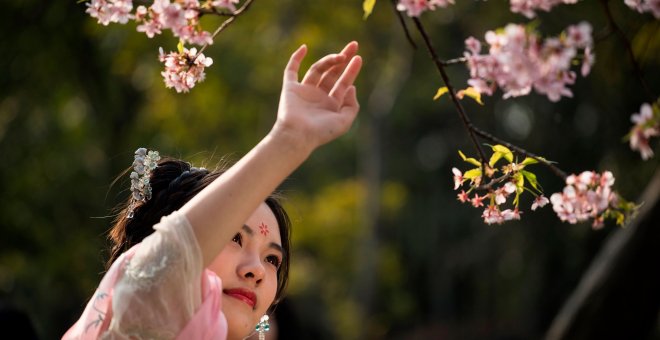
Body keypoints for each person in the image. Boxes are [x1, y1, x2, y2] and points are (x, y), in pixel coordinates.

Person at [63, 41, 362, 340]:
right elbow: (173, 259)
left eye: (272, 259)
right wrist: (290, 139)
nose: (257, 270)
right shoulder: (134, 311)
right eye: (234, 236)